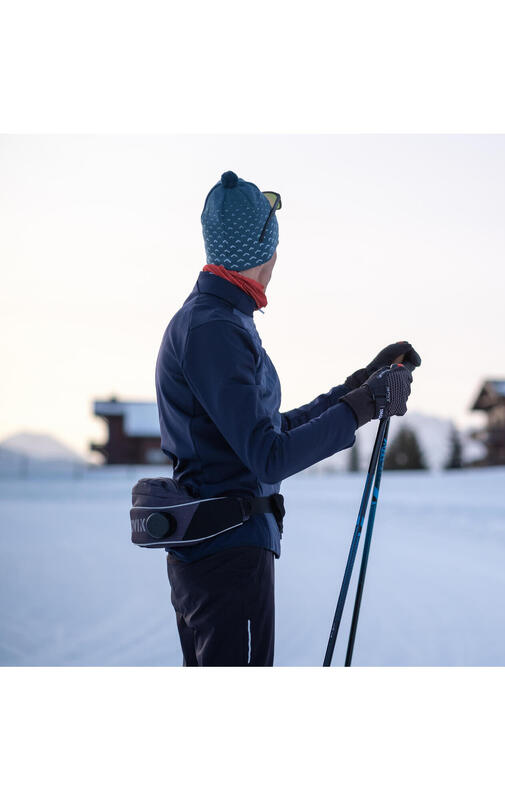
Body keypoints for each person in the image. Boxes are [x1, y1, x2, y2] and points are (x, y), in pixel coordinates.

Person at [155, 170, 421, 666]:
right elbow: (269, 456)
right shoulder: (213, 328)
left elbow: (265, 432)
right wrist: (364, 404)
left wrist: (359, 387)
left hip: (224, 552)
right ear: (263, 249)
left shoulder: (222, 320)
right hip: (225, 559)